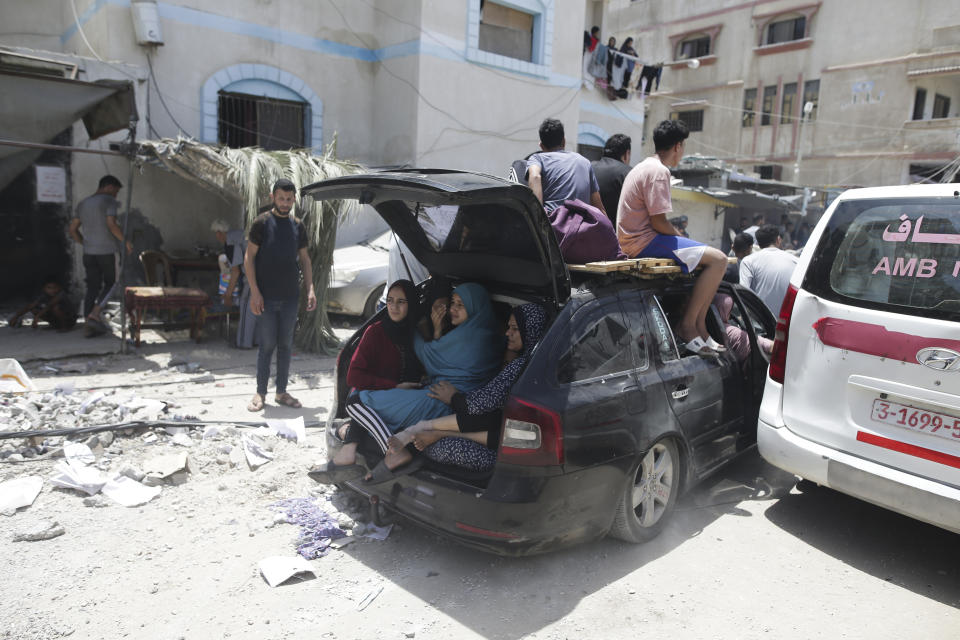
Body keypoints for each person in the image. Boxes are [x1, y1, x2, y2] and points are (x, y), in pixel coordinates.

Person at [345, 283, 503, 481]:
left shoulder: (475, 338)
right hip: (440, 397)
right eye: (452, 303)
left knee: (358, 398)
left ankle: (390, 451)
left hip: (442, 401)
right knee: (365, 399)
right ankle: (360, 437)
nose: (451, 309)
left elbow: (429, 356)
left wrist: (417, 328)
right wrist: (436, 331)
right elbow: (438, 361)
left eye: (460, 305)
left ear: (474, 307)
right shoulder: (476, 333)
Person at [388, 303, 547, 473]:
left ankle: (425, 430)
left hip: (512, 450)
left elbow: (483, 404)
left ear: (530, 330)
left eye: (515, 328)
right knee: (486, 418)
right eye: (508, 327)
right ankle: (426, 429)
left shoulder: (523, 365)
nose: (508, 333)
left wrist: (454, 399)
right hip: (499, 431)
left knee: (442, 445)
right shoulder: (535, 362)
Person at [617, 119, 728, 355]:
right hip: (643, 242)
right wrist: (680, 236)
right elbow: (658, 222)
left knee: (703, 255)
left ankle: (701, 328)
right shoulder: (659, 171)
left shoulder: (642, 166)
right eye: (683, 146)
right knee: (718, 260)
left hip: (633, 241)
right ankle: (688, 326)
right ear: (678, 146)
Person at [308, 279, 423, 484]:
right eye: (390, 301)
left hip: (406, 402)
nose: (394, 307)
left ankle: (357, 451)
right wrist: (393, 386)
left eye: (401, 302)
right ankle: (358, 449)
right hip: (383, 396)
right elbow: (354, 377)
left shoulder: (418, 333)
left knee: (355, 402)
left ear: (412, 304)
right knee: (357, 397)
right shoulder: (376, 332)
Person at [244, 178, 317, 412]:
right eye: (281, 198)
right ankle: (260, 393)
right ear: (272, 197)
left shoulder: (298, 226)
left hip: (290, 297)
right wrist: (255, 292)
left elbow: (305, 259)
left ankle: (281, 392)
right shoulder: (261, 223)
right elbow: (249, 258)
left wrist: (310, 289)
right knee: (266, 345)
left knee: (285, 345)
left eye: (289, 199)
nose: (285, 203)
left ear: (294, 199)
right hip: (265, 297)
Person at [68, 175, 133, 337]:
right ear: (109, 187)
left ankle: (88, 325)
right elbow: (111, 224)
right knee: (113, 283)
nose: (116, 195)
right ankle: (95, 314)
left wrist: (84, 243)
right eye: (116, 191)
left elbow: (72, 230)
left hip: (89, 253)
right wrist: (126, 242)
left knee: (92, 286)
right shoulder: (108, 201)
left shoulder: (83, 203)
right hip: (107, 251)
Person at [526, 118, 605, 215]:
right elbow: (599, 207)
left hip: (553, 225)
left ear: (541, 145)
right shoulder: (584, 162)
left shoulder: (537, 158)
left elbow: (535, 176)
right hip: (582, 226)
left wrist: (538, 217)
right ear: (564, 141)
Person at [211, 218, 258, 348]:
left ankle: (244, 343)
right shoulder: (241, 234)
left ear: (219, 233)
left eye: (216, 234)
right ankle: (256, 341)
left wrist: (227, 294)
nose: (217, 237)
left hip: (253, 276)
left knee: (246, 306)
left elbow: (235, 271)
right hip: (265, 274)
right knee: (259, 308)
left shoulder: (231, 242)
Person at [739, 224, 799, 315]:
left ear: (758, 244)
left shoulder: (748, 261)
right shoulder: (796, 261)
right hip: (788, 322)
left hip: (759, 322)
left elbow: (743, 293)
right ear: (778, 240)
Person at [592, 133, 632, 226]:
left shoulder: (589, 166)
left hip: (582, 232)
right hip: (612, 235)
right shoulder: (629, 173)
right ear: (627, 154)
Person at [9, 279, 77, 332]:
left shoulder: (61, 294)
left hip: (69, 320)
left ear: (59, 288)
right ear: (44, 288)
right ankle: (55, 325)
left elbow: (49, 305)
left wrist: (36, 318)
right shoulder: (44, 295)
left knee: (56, 308)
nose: (52, 290)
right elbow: (30, 306)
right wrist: (16, 317)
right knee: (34, 309)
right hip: (54, 318)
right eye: (49, 288)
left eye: (54, 287)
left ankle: (64, 327)